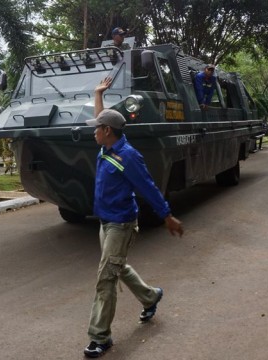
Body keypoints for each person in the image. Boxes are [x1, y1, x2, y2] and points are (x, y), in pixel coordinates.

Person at [82, 77, 184, 358]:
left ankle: (100, 337)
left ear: (106, 131)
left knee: (106, 278)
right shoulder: (107, 146)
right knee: (116, 266)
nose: (93, 132)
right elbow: (101, 118)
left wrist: (167, 216)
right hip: (105, 222)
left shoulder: (128, 156)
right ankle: (151, 296)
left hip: (121, 224)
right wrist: (97, 93)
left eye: (97, 129)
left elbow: (148, 188)